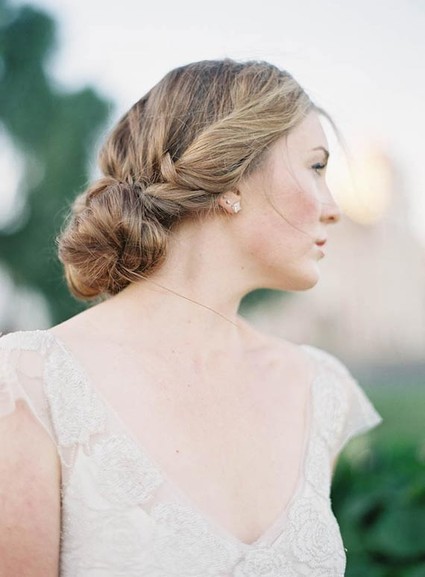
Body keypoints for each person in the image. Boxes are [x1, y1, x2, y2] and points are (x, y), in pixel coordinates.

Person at [0, 58, 383, 576]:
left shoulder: (317, 387)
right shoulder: (32, 383)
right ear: (230, 177)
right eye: (316, 167)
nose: (333, 207)